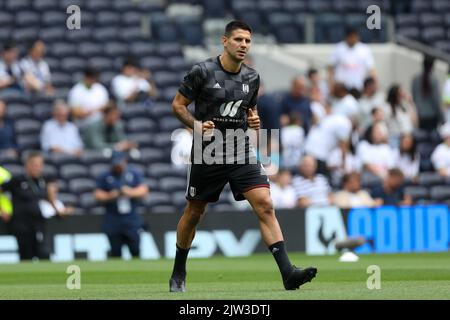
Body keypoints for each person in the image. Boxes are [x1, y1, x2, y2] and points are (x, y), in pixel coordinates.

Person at [169, 21, 317, 292]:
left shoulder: (252, 77)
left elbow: (249, 111)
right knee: (194, 212)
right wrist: (196, 126)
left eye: (247, 41)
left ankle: (288, 273)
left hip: (239, 148)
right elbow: (178, 105)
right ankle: (179, 271)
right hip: (208, 151)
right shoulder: (202, 71)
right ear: (225, 41)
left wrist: (255, 120)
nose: (243, 45)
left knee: (265, 204)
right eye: (238, 39)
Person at [0, 151, 70, 260]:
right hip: (21, 224)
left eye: (40, 165)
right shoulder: (17, 180)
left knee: (44, 253)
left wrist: (58, 209)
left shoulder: (42, 181)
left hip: (38, 222)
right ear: (27, 165)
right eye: (35, 165)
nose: (38, 168)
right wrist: (1, 211)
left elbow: (48, 199)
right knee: (26, 255)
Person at [94, 151, 149, 258]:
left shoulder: (133, 173)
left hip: (131, 218)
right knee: (115, 251)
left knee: (135, 250)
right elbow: (97, 195)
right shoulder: (105, 175)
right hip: (113, 218)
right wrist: (112, 195)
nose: (118, 166)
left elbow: (144, 190)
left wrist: (129, 192)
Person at [329, 28, 376, 97]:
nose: (353, 39)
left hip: (359, 87)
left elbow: (372, 69)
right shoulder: (338, 49)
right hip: (342, 88)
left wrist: (374, 85)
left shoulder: (364, 50)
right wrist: (331, 85)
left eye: (355, 37)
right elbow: (331, 69)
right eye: (351, 37)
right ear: (346, 37)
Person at [412, 55, 443, 131]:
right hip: (430, 116)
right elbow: (436, 100)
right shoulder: (433, 80)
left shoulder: (416, 79)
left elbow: (414, 97)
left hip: (421, 115)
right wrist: (442, 117)